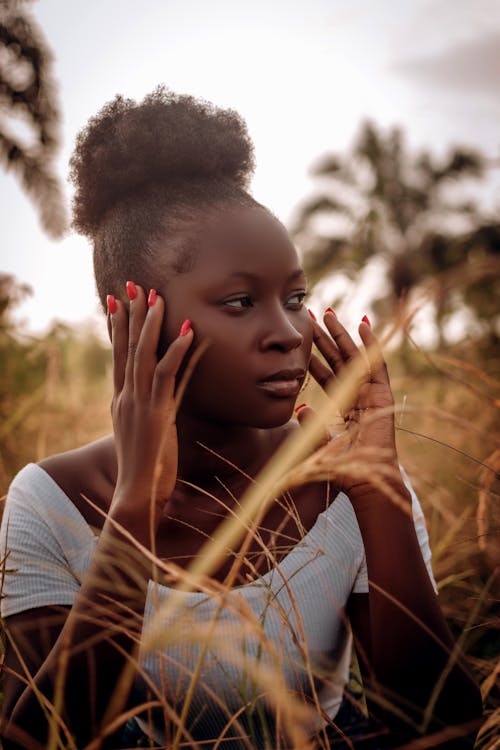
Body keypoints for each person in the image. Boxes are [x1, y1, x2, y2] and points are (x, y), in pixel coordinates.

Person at [0, 87, 483, 750]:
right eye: (239, 301)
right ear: (131, 321)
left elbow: (445, 730)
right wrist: (136, 502)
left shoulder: (349, 488)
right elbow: (39, 739)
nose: (286, 332)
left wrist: (379, 488)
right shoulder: (50, 501)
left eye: (294, 298)